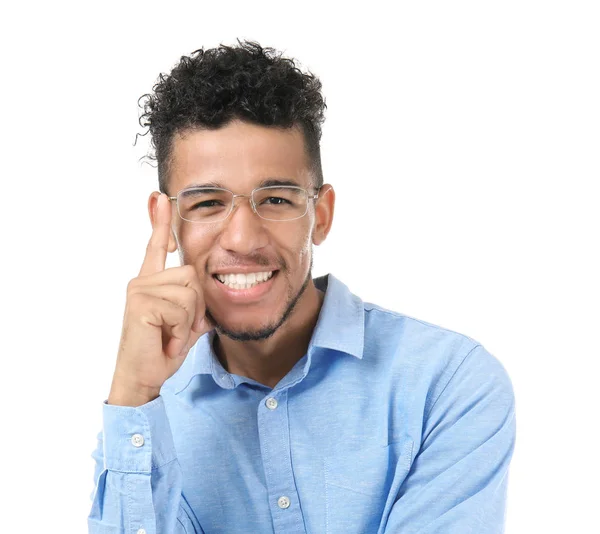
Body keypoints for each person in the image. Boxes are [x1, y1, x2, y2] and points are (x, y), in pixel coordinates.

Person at [87, 39, 516, 534]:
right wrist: (135, 394)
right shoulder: (142, 426)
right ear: (165, 220)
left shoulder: (447, 385)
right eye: (207, 203)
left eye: (275, 199)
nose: (243, 238)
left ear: (321, 214)